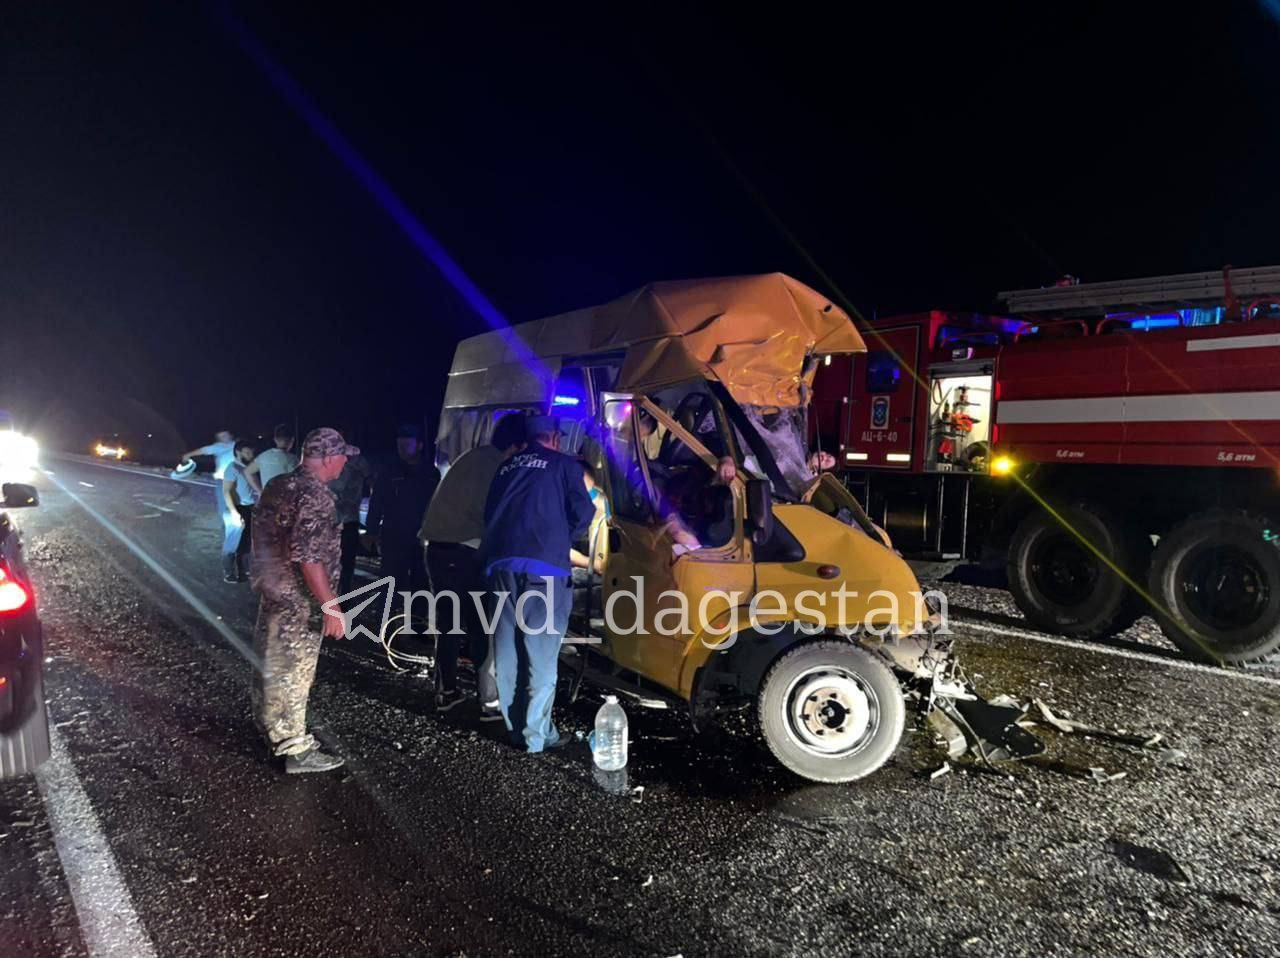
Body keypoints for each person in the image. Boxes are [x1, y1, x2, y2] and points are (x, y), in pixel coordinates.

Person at [482, 415, 596, 753]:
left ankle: (516, 727)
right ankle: (536, 736)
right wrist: (561, 539)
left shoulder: (504, 469)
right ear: (555, 439)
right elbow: (584, 513)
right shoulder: (564, 465)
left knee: (508, 650)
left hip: (502, 568)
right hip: (544, 571)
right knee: (541, 653)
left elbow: (489, 515)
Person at [250, 427, 357, 773]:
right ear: (327, 458)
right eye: (342, 456)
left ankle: (269, 729)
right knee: (293, 670)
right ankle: (293, 748)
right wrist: (331, 606)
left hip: (272, 590)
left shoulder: (279, 485)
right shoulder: (315, 496)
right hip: (298, 600)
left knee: (271, 661)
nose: (345, 462)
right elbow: (308, 557)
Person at [421, 413, 525, 717]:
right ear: (516, 446)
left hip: (436, 551)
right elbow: (493, 519)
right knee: (482, 625)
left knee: (449, 624)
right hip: (464, 553)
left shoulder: (471, 457)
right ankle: (489, 701)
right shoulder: (496, 468)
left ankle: (447, 692)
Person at [364, 424, 436, 595]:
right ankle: (386, 621)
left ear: (419, 445)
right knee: (389, 585)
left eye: (407, 445)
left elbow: (436, 504)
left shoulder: (430, 473)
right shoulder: (388, 472)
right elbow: (376, 502)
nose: (402, 449)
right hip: (393, 537)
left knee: (420, 586)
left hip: (420, 537)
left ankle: (418, 621)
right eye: (399, 445)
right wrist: (371, 531)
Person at [329, 450, 374, 596]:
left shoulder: (358, 461)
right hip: (334, 521)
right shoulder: (357, 461)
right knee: (339, 566)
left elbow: (371, 480)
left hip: (345, 520)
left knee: (345, 566)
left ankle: (340, 602)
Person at [222, 440, 257, 583]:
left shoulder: (248, 468)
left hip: (249, 508)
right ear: (238, 452)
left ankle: (243, 572)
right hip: (236, 508)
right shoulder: (232, 468)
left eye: (252, 453)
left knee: (245, 543)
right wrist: (234, 512)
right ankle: (229, 573)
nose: (251, 455)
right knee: (232, 544)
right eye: (247, 452)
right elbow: (226, 491)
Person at [247, 424, 298, 495]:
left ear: (275, 439)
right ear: (292, 440)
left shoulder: (263, 456)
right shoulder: (292, 459)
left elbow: (247, 471)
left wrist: (260, 491)